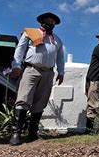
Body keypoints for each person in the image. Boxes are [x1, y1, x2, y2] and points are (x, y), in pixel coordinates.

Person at [9, 12, 65, 145]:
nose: (50, 23)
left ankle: (32, 133)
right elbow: (20, 49)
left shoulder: (57, 40)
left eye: (52, 22)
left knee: (40, 102)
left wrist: (61, 72)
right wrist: (16, 65)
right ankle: (16, 133)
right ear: (41, 22)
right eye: (47, 21)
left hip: (48, 73)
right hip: (31, 70)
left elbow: (60, 57)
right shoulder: (30, 33)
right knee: (23, 99)